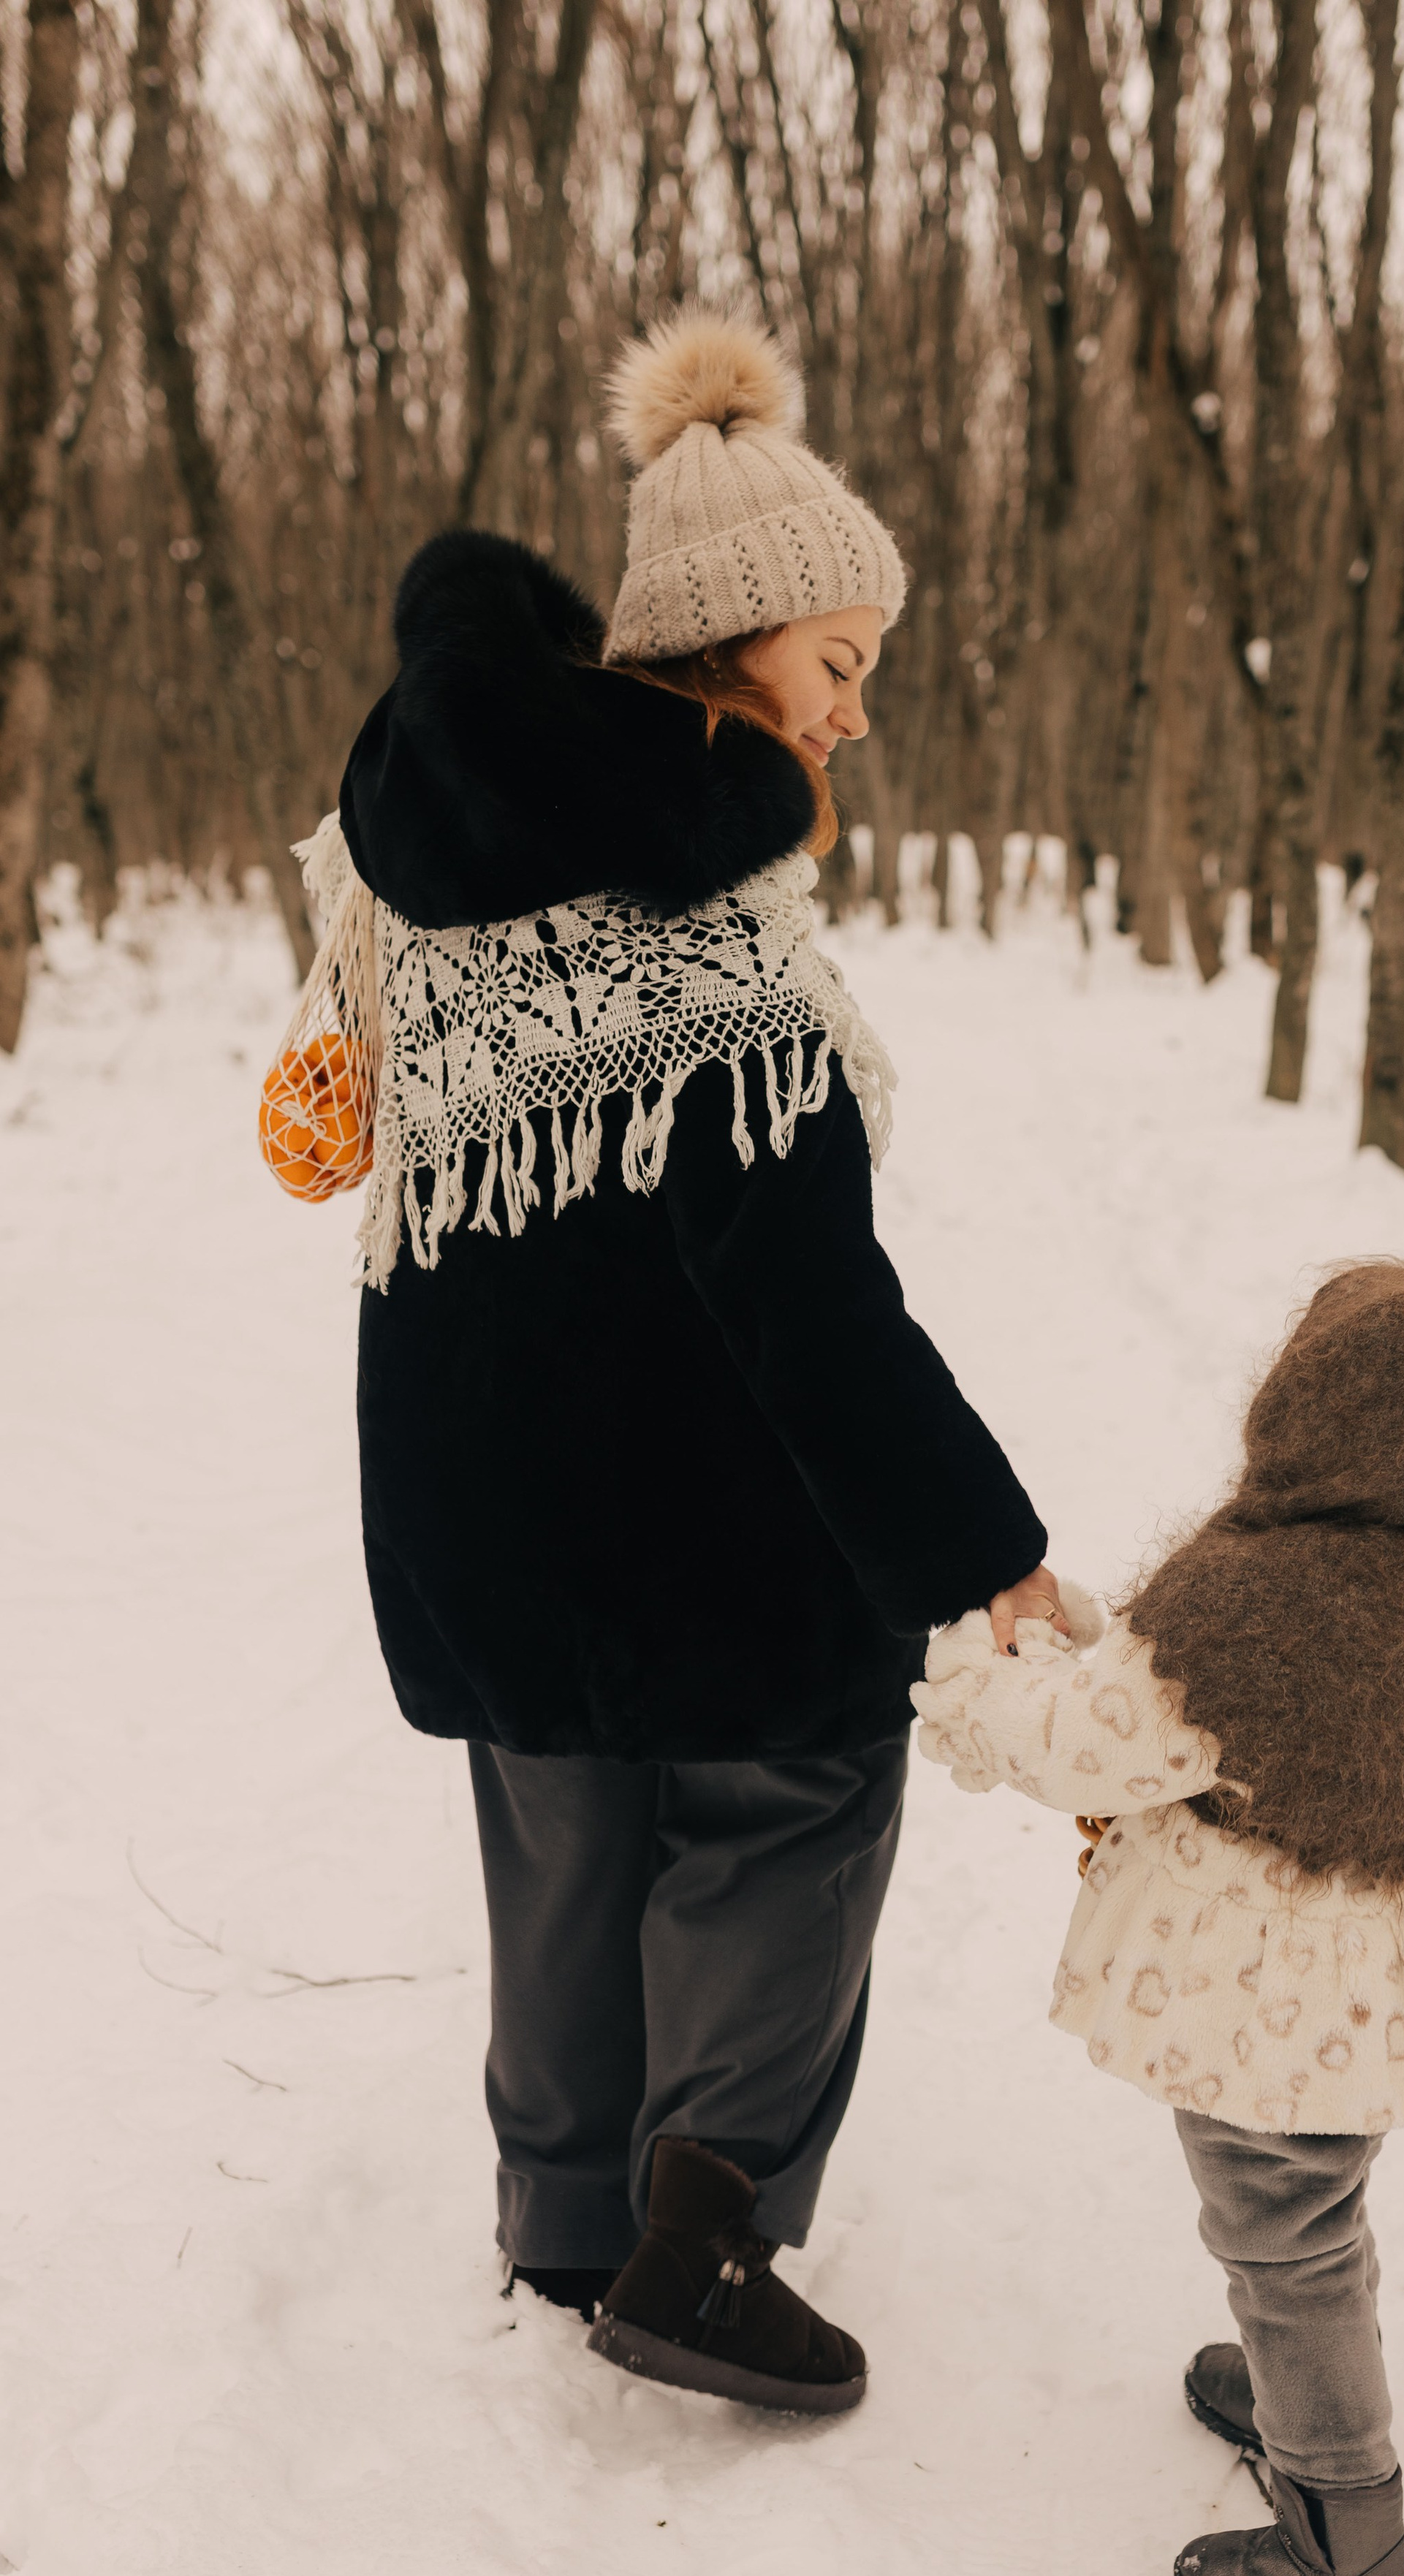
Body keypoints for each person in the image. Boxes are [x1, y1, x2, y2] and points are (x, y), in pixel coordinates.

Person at [306, 308, 1065, 2416]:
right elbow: (810, 1310)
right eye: (843, 672)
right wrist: (977, 1553)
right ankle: (705, 2238)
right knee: (800, 1789)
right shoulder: (722, 962)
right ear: (732, 657)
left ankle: (563, 2219)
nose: (856, 720)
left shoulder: (436, 892)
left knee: (559, 1821)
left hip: (481, 1511)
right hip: (710, 1520)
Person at [914, 1263, 1404, 2576]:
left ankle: (1347, 2538)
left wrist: (976, 1674)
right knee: (1314, 2211)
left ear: (1310, 1406)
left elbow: (1097, 1741)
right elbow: (1209, 1701)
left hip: (1267, 2009)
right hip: (1374, 1999)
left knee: (1290, 2232)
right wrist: (1100, 1638)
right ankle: (1297, 2393)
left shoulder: (1255, 1594)